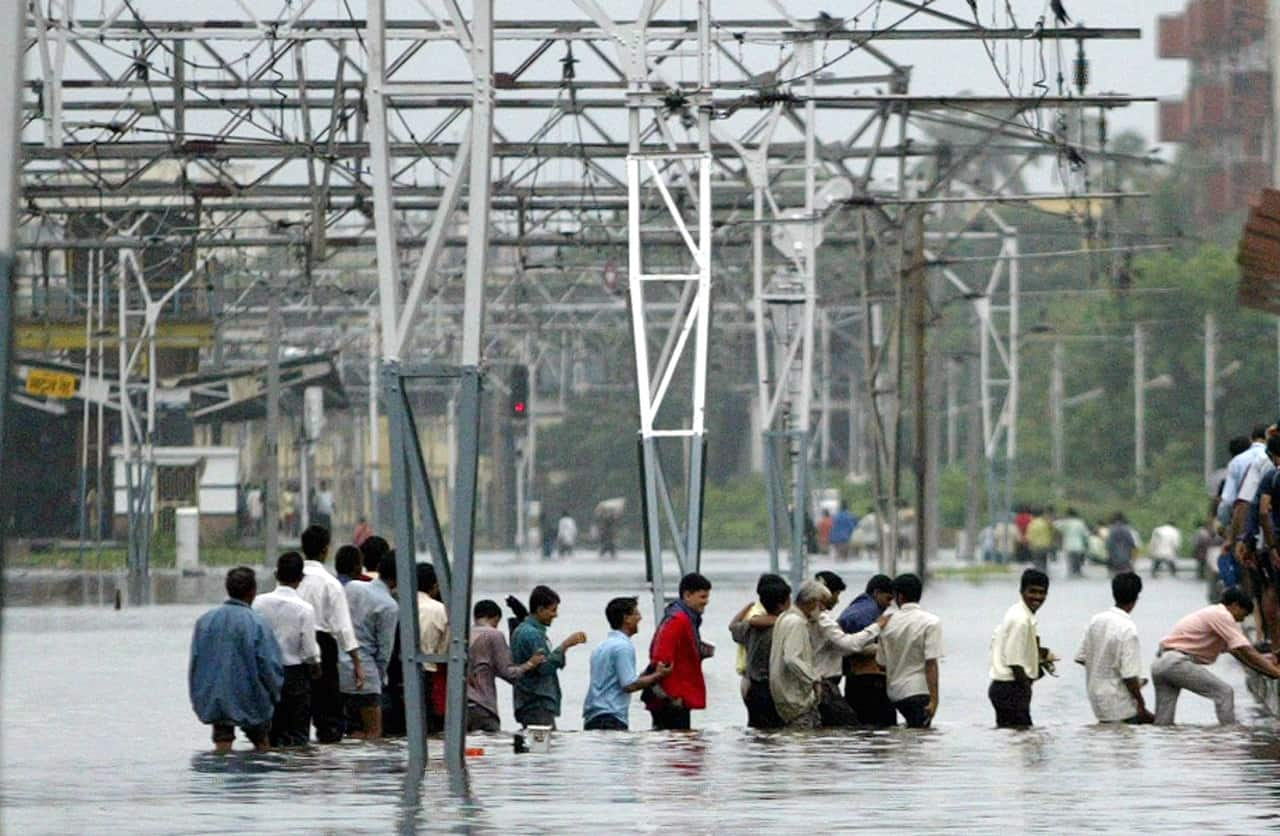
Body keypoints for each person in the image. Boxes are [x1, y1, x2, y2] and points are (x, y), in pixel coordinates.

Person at [189, 567, 284, 753]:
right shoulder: (257, 624)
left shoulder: (205, 622)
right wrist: (275, 694)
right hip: (252, 699)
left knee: (222, 745)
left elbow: (196, 663)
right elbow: (269, 666)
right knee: (262, 744)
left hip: (216, 699)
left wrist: (200, 697)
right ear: (253, 591)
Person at [1152, 588, 1280, 725]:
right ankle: (1230, 736)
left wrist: (1267, 670)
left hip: (1160, 664)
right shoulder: (1222, 615)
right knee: (1224, 693)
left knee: (1163, 723)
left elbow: (1239, 653)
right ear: (1235, 605)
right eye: (1243, 615)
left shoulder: (1212, 615)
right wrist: (1276, 673)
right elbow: (1245, 650)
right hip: (1176, 663)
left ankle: (1163, 744)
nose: (1241, 620)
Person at [296, 524, 363, 743]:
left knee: (299, 711)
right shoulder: (330, 584)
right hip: (323, 644)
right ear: (326, 550)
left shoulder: (292, 579)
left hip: (294, 646)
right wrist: (357, 663)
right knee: (328, 713)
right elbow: (343, 628)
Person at [252, 552, 321, 747]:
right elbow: (309, 651)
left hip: (265, 675)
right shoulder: (305, 609)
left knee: (270, 735)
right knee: (298, 737)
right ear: (300, 579)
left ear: (276, 574)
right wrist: (316, 668)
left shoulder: (258, 603)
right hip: (295, 676)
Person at [1074, 572, 1154, 724]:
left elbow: (1082, 658)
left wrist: (1104, 672)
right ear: (1136, 598)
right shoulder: (1128, 629)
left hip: (1097, 703)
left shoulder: (1096, 620)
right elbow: (1129, 676)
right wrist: (1141, 702)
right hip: (1121, 705)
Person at [811, 570, 887, 726]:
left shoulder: (814, 619)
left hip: (826, 685)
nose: (838, 600)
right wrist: (877, 626)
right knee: (847, 726)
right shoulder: (822, 620)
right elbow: (850, 644)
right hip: (825, 686)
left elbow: (842, 649)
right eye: (837, 594)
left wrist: (874, 648)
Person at [583, 597, 672, 730]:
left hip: (593, 717)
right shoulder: (623, 647)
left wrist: (646, 675)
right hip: (611, 717)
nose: (640, 617)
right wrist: (658, 675)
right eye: (636, 613)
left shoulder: (601, 647)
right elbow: (629, 685)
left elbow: (615, 680)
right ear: (626, 618)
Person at [339, 554, 399, 739]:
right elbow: (384, 650)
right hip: (367, 675)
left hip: (339, 668)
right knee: (373, 735)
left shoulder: (352, 587)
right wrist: (379, 678)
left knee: (344, 733)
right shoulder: (389, 605)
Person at [510, 585, 587, 728]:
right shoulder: (532, 634)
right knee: (541, 747)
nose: (555, 615)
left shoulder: (523, 630)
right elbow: (544, 668)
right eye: (553, 610)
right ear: (540, 610)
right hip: (536, 704)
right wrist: (565, 645)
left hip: (528, 703)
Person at [645, 572, 714, 730]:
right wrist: (673, 698)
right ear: (687, 595)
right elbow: (660, 659)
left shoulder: (683, 618)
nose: (706, 602)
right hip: (672, 699)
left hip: (676, 696)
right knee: (679, 748)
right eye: (702, 597)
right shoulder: (678, 620)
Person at [988, 568, 1053, 729]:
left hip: (1006, 688)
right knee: (1020, 739)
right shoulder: (1021, 620)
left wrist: (1042, 656)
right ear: (1021, 591)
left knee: (1015, 741)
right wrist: (1025, 690)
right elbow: (1015, 662)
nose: (1037, 597)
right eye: (1032, 592)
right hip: (1010, 688)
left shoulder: (1019, 613)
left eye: (1042, 593)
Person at [876, 573, 942, 728]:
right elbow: (931, 663)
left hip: (895, 693)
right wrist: (934, 700)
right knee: (921, 742)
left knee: (905, 743)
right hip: (918, 691)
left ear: (899, 596)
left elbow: (881, 663)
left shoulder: (887, 622)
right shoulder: (931, 622)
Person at [467, 600, 543, 732]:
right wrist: (530, 663)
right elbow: (508, 672)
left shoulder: (464, 634)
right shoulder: (494, 635)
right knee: (490, 748)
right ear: (496, 618)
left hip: (461, 705)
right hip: (483, 706)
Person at [729, 576, 791, 729]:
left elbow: (733, 626)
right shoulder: (784, 628)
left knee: (758, 734)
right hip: (772, 689)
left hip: (753, 688)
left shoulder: (752, 626)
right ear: (782, 604)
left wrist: (748, 608)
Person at [768, 580, 829, 728]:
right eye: (822, 604)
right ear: (812, 601)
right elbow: (791, 659)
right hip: (796, 701)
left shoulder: (784, 617)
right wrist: (814, 678)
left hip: (784, 698)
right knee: (803, 743)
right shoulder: (797, 623)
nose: (823, 609)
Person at [838, 574, 897, 726]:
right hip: (869, 680)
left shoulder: (854, 608)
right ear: (876, 593)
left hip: (853, 679)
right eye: (888, 599)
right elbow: (860, 646)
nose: (889, 604)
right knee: (882, 728)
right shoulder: (868, 614)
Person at [417, 563, 449, 732]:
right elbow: (444, 652)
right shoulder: (440, 610)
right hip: (427, 673)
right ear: (435, 586)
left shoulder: (397, 602)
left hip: (393, 676)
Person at [1054, 509, 1090, 578]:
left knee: (1071, 568)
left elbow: (1055, 526)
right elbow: (1086, 535)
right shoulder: (1080, 523)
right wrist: (1087, 545)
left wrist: (1060, 519)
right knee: (1078, 567)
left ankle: (1072, 580)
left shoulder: (1065, 523)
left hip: (1068, 547)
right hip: (1079, 547)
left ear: (1068, 515)